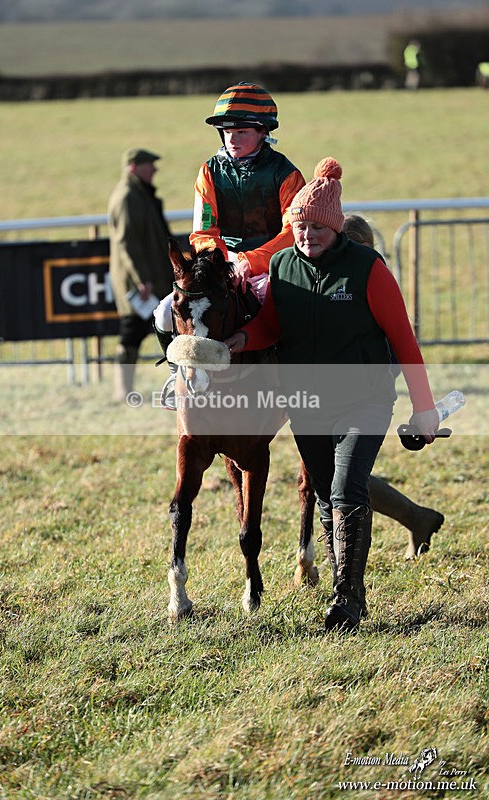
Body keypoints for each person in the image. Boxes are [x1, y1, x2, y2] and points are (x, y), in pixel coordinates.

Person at [224, 158, 440, 631]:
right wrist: (242, 338)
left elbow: (404, 340)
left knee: (347, 488)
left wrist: (424, 409)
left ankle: (348, 600)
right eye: (299, 227)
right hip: (306, 402)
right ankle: (346, 588)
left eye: (316, 228)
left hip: (365, 398)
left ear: (336, 227)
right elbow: (270, 325)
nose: (306, 237)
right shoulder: (282, 265)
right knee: (325, 493)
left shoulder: (368, 268)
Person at [153, 81, 305, 406]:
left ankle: (297, 384)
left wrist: (250, 260)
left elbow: (293, 231)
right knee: (165, 312)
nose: (232, 139)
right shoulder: (208, 171)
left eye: (242, 132)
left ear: (263, 132)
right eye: (226, 132)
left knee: (291, 315)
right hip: (220, 265)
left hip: (273, 265)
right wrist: (223, 262)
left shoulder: (287, 174)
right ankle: (175, 374)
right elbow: (202, 231)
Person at [342, 214, 444, 560]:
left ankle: (352, 572)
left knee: (347, 478)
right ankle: (419, 519)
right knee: (343, 476)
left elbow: (397, 348)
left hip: (368, 392)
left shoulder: (372, 279)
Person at [108, 147, 174, 402]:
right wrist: (140, 279)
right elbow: (128, 243)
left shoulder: (138, 194)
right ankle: (122, 391)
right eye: (150, 165)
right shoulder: (128, 196)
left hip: (149, 277)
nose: (155, 169)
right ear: (134, 167)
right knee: (131, 331)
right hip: (140, 282)